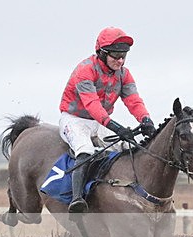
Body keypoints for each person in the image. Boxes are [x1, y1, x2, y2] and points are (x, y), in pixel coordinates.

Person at [59, 27, 157, 213]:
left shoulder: (124, 74)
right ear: (102, 53)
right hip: (75, 119)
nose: (120, 60)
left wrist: (146, 120)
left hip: (100, 121)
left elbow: (133, 100)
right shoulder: (85, 70)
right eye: (115, 55)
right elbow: (92, 105)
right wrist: (116, 127)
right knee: (85, 150)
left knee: (128, 148)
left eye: (123, 56)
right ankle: (77, 198)